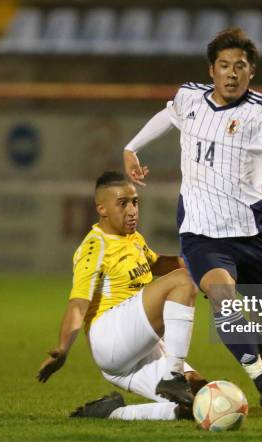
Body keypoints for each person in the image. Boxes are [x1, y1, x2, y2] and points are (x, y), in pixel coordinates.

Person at [123, 28, 262, 408]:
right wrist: (132, 147)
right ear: (212, 69)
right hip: (201, 232)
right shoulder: (190, 97)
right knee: (222, 296)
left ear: (251, 72)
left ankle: (259, 357)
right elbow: (166, 115)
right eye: (224, 66)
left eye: (240, 66)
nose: (232, 73)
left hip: (252, 231)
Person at [37, 171, 206, 420]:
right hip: (111, 338)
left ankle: (113, 412)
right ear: (102, 209)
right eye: (123, 203)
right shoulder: (95, 247)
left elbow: (156, 263)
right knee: (184, 280)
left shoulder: (133, 239)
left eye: (135, 202)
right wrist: (63, 349)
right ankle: (173, 375)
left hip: (140, 345)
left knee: (204, 401)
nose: (132, 210)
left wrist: (204, 263)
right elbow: (78, 303)